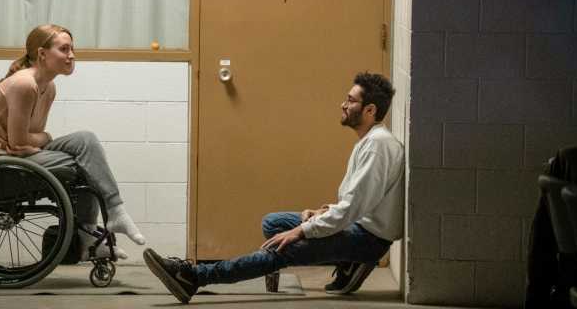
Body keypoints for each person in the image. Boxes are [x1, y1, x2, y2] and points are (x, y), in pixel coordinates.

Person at [143, 72, 404, 304]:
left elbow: (352, 208)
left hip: (368, 239)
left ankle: (193, 277)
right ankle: (347, 261)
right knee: (274, 223)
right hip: (357, 223)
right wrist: (321, 213)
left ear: (370, 110)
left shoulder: (378, 146)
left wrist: (300, 231)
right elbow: (357, 202)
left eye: (350, 100)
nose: (343, 104)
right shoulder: (370, 141)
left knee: (282, 248)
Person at [0, 24, 146, 261]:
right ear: (42, 54)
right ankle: (94, 231)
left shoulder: (48, 87)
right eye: (64, 49)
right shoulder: (24, 84)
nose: (72, 55)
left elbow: (31, 135)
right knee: (85, 166)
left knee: (86, 140)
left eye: (72, 49)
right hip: (7, 165)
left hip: (24, 155)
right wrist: (45, 138)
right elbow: (19, 142)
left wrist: (39, 138)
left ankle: (113, 212)